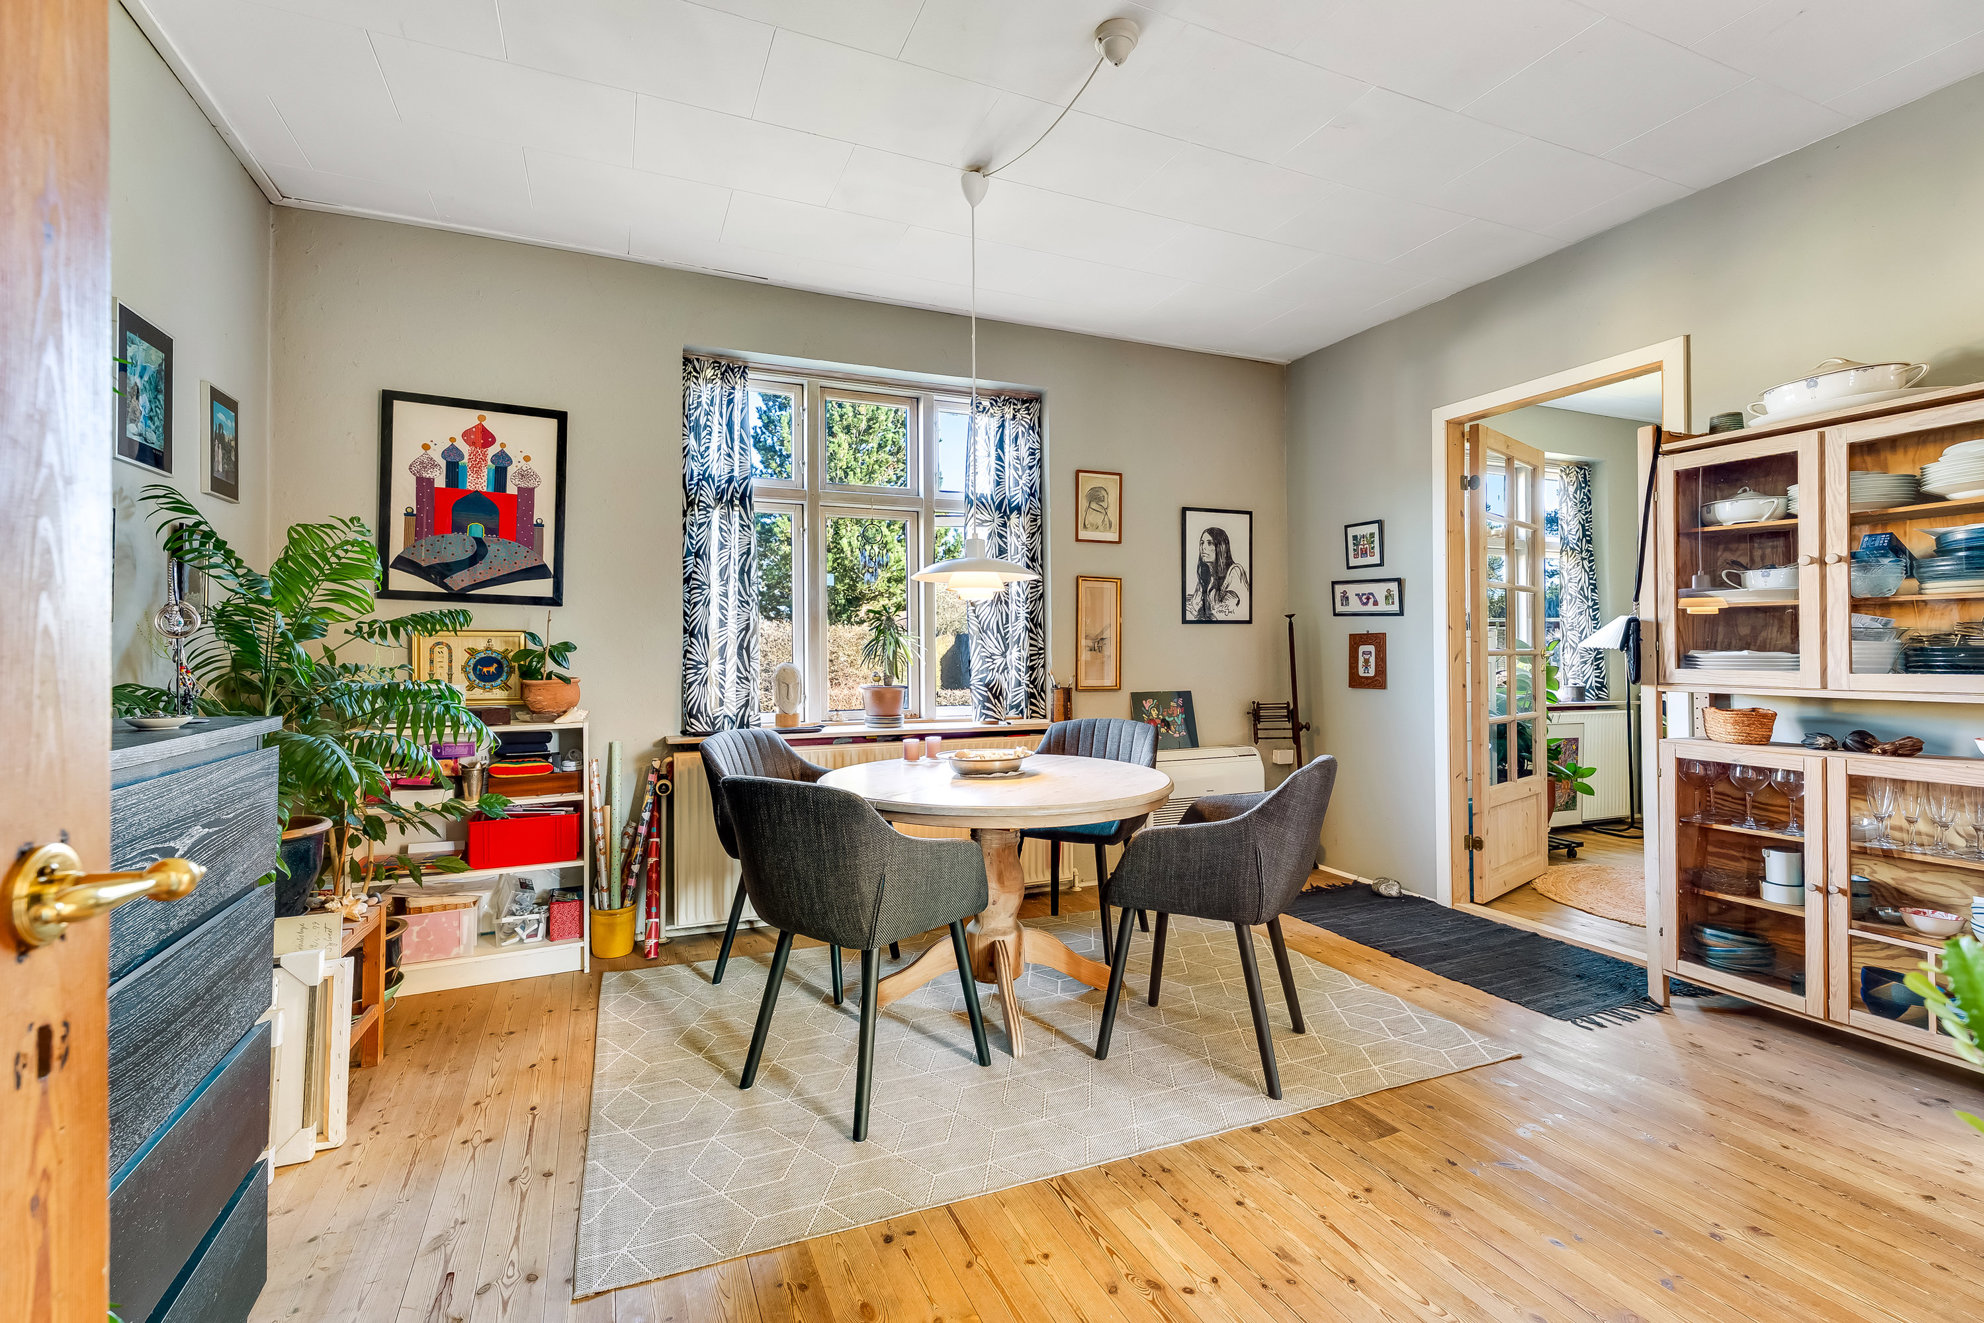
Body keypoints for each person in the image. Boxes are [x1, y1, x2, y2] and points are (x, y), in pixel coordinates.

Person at [1186, 526, 1249, 621]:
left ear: (1221, 547)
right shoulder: (1205, 577)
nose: (1203, 547)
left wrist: (1197, 614)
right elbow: (1195, 603)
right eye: (1202, 543)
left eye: (1210, 543)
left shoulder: (1234, 571)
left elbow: (1229, 614)